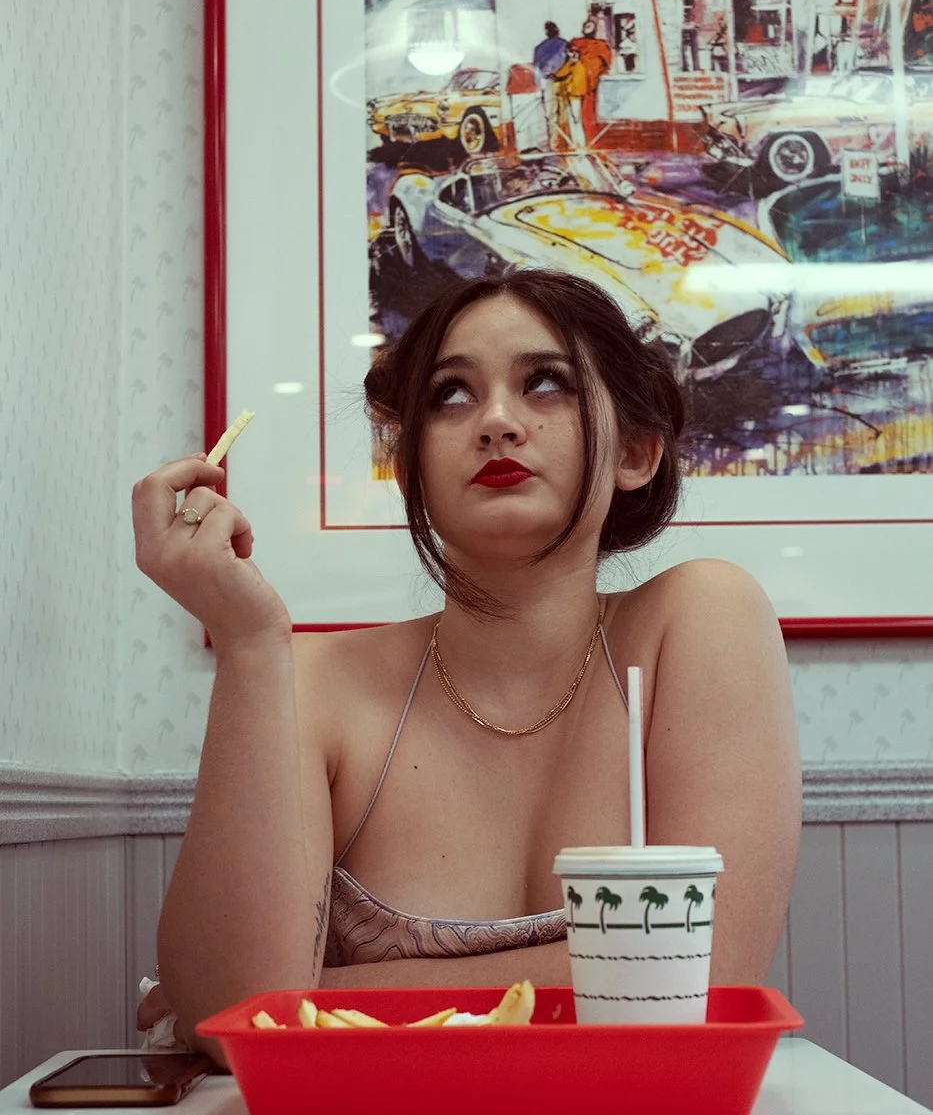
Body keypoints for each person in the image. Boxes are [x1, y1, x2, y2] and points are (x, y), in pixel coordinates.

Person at [133, 269, 801, 1065]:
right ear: (410, 464)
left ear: (635, 451)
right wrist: (245, 641)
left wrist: (325, 997)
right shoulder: (307, 679)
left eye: (544, 384)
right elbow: (233, 1018)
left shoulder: (699, 619)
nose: (494, 422)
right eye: (449, 396)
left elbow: (704, 986)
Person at [571, 17, 613, 144]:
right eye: (586, 26)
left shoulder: (600, 45)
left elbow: (607, 64)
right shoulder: (576, 43)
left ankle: (590, 140)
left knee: (588, 113)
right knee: (575, 113)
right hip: (576, 82)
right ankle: (580, 141)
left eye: (590, 26)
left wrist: (597, 72)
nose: (587, 28)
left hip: (591, 84)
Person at [532, 21, 569, 149]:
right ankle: (562, 143)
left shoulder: (539, 48)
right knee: (563, 112)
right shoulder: (563, 44)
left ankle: (553, 143)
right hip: (562, 80)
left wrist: (538, 85)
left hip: (547, 81)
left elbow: (536, 69)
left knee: (550, 114)